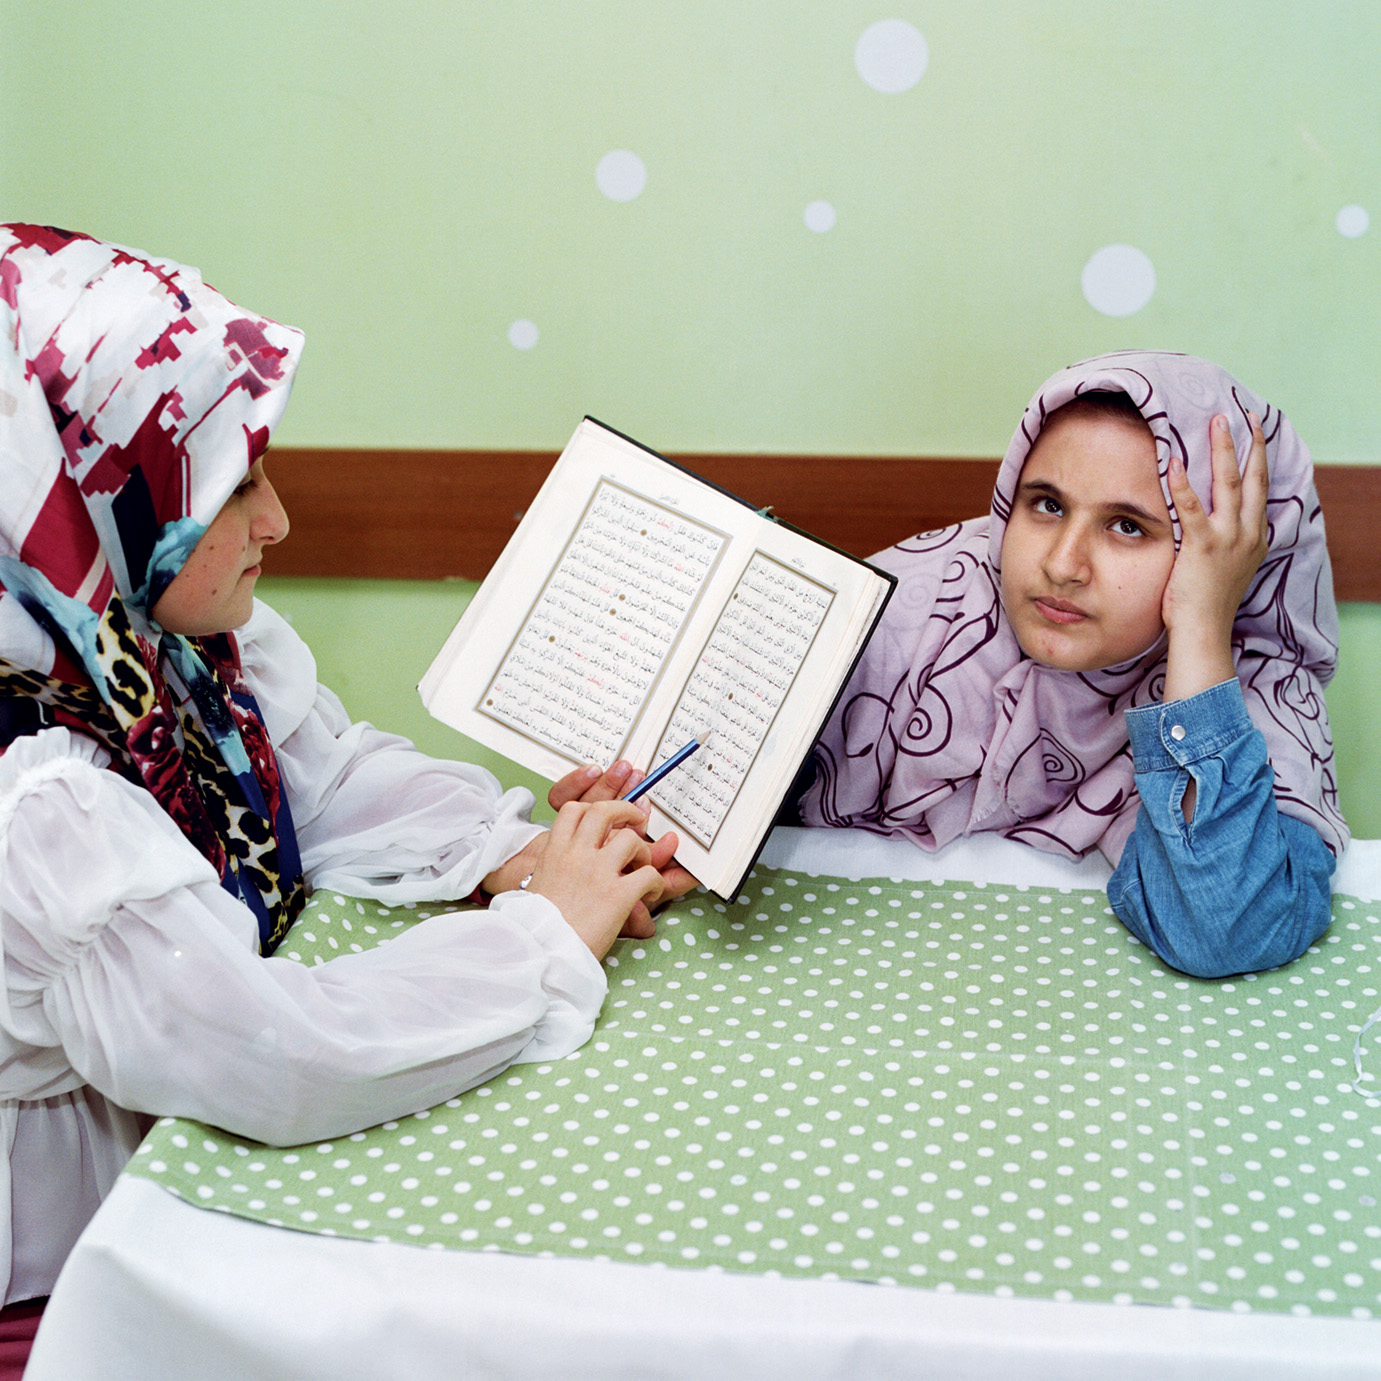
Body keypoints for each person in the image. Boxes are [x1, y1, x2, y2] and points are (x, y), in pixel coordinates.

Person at [0, 224, 690, 1334]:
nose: (278, 520)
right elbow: (276, 1053)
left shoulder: (143, 638)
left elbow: (316, 780)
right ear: (92, 507)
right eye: (233, 489)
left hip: (164, 1187)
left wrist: (505, 852)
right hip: (56, 1274)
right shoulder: (38, 796)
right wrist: (542, 935)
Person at [801, 351, 1346, 979]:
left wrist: (1199, 627)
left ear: (1232, 556)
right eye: (1047, 505)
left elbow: (1227, 928)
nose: (1063, 565)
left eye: (1127, 526)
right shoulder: (926, 604)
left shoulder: (1254, 688)